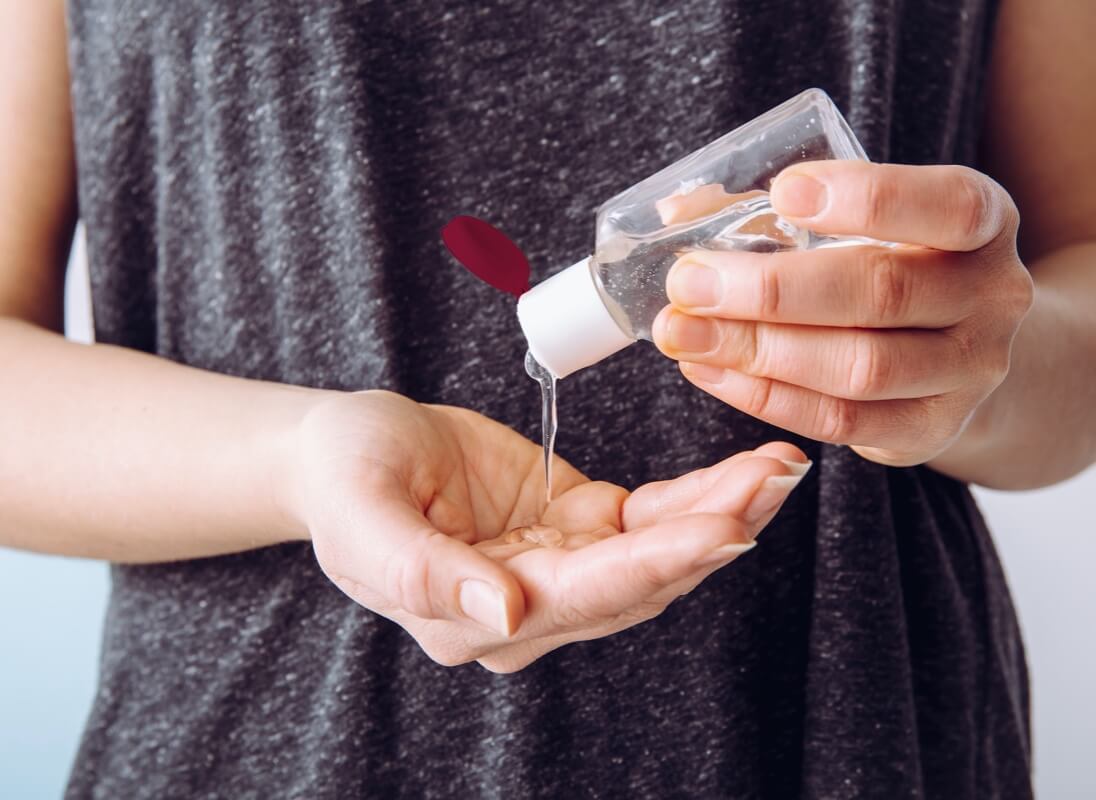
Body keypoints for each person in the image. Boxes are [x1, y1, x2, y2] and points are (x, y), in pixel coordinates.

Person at [1, 0, 1092, 797]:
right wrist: (297, 456)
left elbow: (1076, 301)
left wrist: (963, 377)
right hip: (256, 749)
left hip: (841, 729)